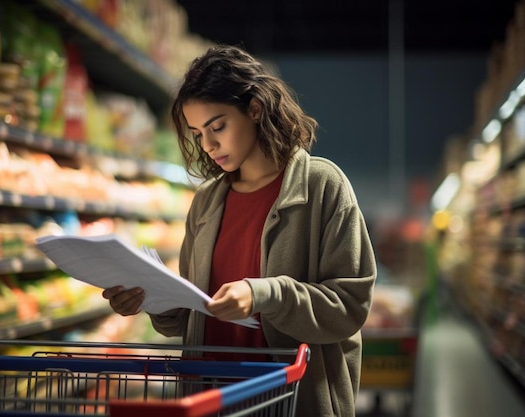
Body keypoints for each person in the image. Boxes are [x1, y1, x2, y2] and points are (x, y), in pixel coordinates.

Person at [102, 44, 376, 417]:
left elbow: (349, 307)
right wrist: (151, 301)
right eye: (198, 134)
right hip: (211, 396)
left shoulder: (321, 186)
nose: (209, 145)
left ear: (255, 109)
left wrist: (265, 293)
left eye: (218, 127)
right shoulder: (206, 203)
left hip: (291, 398)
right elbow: (193, 315)